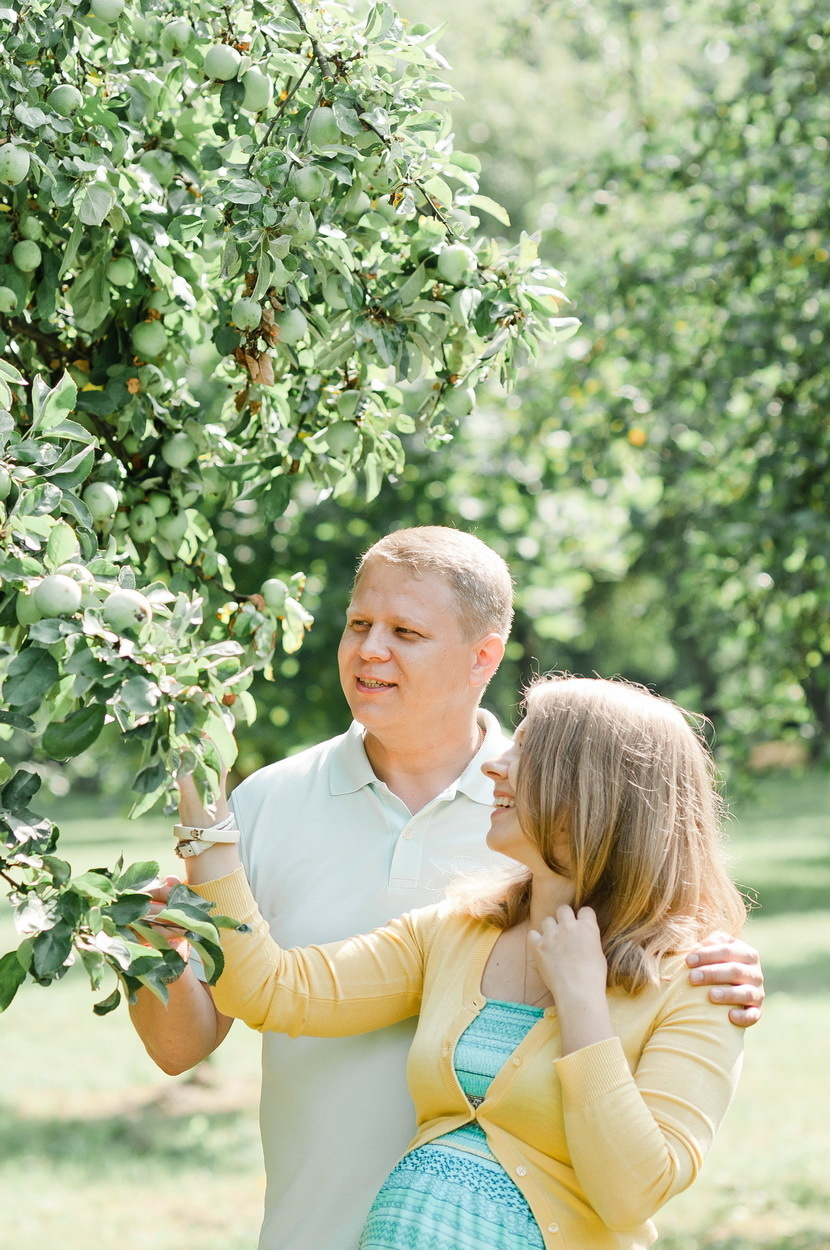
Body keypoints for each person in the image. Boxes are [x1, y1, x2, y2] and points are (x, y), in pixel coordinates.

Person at [129, 527, 764, 1250]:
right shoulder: (454, 924)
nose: (371, 649)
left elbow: (634, 1189)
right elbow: (272, 991)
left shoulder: (687, 964)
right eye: (360, 624)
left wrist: (589, 996)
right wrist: (203, 824)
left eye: (405, 631)